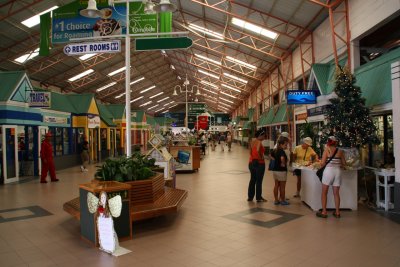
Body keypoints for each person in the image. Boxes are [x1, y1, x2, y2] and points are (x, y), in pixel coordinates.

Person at [316, 136, 346, 218]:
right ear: (335, 142)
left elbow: (322, 163)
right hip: (338, 172)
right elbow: (344, 163)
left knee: (324, 192)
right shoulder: (340, 151)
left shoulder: (327, 150)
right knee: (336, 193)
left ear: (328, 142)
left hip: (328, 171)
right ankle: (337, 212)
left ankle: (324, 212)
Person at [247, 129, 267, 202]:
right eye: (264, 135)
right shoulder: (259, 142)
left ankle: (250, 197)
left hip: (251, 162)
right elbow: (258, 150)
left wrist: (253, 157)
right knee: (259, 181)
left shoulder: (252, 141)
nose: (264, 137)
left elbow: (250, 151)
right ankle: (258, 197)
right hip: (259, 163)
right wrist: (260, 157)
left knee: (252, 180)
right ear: (260, 135)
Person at [271, 136, 290, 205]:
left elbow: (271, 155)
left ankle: (276, 200)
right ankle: (282, 200)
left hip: (275, 170)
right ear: (282, 144)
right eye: (285, 144)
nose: (286, 146)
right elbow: (282, 158)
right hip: (281, 171)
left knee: (276, 185)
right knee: (282, 187)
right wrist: (283, 163)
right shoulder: (282, 151)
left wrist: (275, 161)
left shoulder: (275, 150)